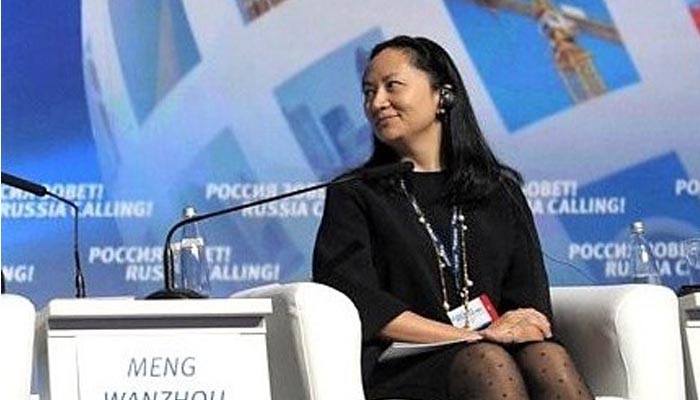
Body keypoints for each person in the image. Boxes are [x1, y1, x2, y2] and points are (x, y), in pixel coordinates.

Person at [312, 36, 593, 400]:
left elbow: (529, 298)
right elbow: (358, 300)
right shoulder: (356, 193)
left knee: (548, 357)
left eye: (391, 86)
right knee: (487, 360)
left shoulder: (499, 191)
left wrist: (521, 325)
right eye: (368, 92)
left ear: (442, 96)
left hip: (490, 345)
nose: (376, 102)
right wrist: (469, 336)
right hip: (405, 362)